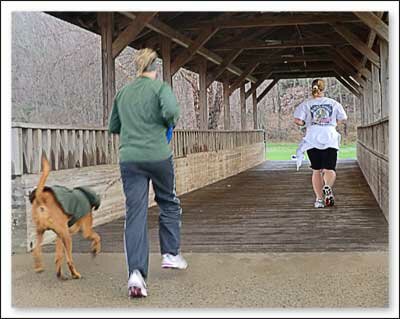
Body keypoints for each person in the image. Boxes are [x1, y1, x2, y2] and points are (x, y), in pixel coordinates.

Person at [108, 48, 187, 298]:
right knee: (168, 201)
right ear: (155, 69)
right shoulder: (160, 88)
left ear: (138, 68)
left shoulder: (123, 93)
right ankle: (170, 253)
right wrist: (165, 123)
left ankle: (136, 273)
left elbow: (114, 126)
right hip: (158, 156)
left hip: (130, 159)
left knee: (135, 214)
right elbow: (172, 112)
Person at [293, 79, 348, 208]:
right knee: (330, 168)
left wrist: (305, 124)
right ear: (324, 89)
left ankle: (318, 200)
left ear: (312, 88)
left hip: (312, 138)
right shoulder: (333, 103)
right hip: (329, 137)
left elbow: (297, 120)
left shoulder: (306, 104)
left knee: (316, 170)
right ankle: (327, 186)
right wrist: (332, 124)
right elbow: (343, 118)